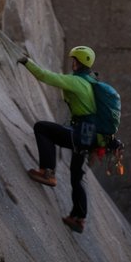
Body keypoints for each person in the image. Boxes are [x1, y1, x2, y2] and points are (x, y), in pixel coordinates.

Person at [18, 45, 101, 234]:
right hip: (90, 136)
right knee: (76, 176)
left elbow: (46, 77)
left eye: (74, 60)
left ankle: (48, 172)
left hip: (81, 132)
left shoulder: (78, 82)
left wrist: (26, 62)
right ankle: (78, 218)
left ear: (78, 63)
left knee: (43, 128)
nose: (72, 63)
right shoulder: (92, 82)